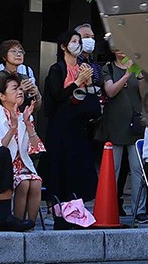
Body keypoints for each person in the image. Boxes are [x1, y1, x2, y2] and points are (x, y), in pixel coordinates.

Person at [41, 25, 103, 203]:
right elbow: (57, 96)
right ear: (63, 46)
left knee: (79, 164)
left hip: (80, 125)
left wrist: (88, 82)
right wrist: (77, 82)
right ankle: (58, 204)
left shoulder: (85, 67)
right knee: (60, 164)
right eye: (74, 41)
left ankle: (78, 203)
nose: (78, 45)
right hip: (60, 125)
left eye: (79, 42)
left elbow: (93, 98)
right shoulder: (57, 69)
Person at [98, 40, 148, 225]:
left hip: (136, 124)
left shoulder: (138, 67)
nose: (120, 49)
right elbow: (110, 91)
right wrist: (126, 75)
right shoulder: (108, 68)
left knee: (138, 169)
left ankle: (139, 210)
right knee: (111, 170)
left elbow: (145, 94)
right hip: (115, 125)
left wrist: (138, 76)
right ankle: (109, 209)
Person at [0, 75, 44, 231]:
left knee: (36, 182)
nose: (20, 92)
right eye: (15, 88)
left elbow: (36, 149)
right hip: (4, 168)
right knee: (23, 183)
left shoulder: (25, 116)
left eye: (21, 88)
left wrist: (28, 126)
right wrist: (13, 128)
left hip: (24, 164)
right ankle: (16, 222)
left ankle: (31, 224)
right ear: (2, 96)